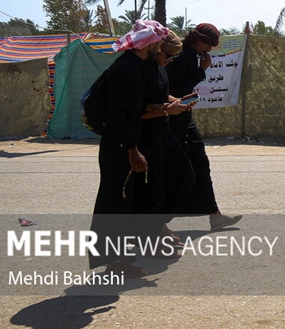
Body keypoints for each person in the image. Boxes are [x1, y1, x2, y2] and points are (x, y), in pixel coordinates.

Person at [89, 20, 170, 278]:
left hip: (124, 144)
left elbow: (130, 107)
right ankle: (115, 263)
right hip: (119, 147)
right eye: (158, 41)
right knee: (115, 203)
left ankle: (121, 259)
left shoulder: (133, 65)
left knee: (129, 201)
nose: (160, 46)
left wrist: (152, 107)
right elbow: (117, 114)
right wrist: (131, 149)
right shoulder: (126, 68)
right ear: (150, 42)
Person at [166, 23, 242, 231]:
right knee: (180, 171)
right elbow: (180, 90)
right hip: (173, 121)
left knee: (199, 163)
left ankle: (214, 215)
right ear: (195, 39)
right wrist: (202, 71)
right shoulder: (182, 56)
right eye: (206, 44)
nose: (208, 49)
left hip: (184, 118)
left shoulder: (191, 55)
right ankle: (156, 224)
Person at [141, 30, 197, 251]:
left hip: (164, 135)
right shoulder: (138, 70)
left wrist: (178, 101)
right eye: (169, 56)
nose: (170, 61)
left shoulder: (160, 70)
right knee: (153, 189)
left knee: (186, 176)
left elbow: (162, 97)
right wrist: (167, 111)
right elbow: (135, 110)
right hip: (145, 138)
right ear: (156, 49)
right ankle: (153, 232)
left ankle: (156, 225)